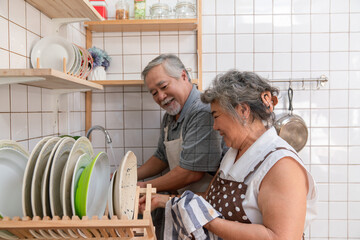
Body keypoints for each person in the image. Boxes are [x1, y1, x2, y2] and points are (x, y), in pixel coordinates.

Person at [139, 70, 318, 240]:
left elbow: (280, 237)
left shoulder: (281, 165)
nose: (214, 126)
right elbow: (210, 200)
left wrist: (209, 221)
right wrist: (164, 201)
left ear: (242, 111)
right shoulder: (234, 154)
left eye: (216, 116)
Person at [137, 54, 223, 238]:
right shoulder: (171, 114)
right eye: (154, 93)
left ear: (183, 76)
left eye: (164, 87)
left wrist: (144, 186)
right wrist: (127, 176)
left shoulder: (201, 110)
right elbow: (161, 157)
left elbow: (191, 172)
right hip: (185, 203)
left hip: (207, 206)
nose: (161, 96)